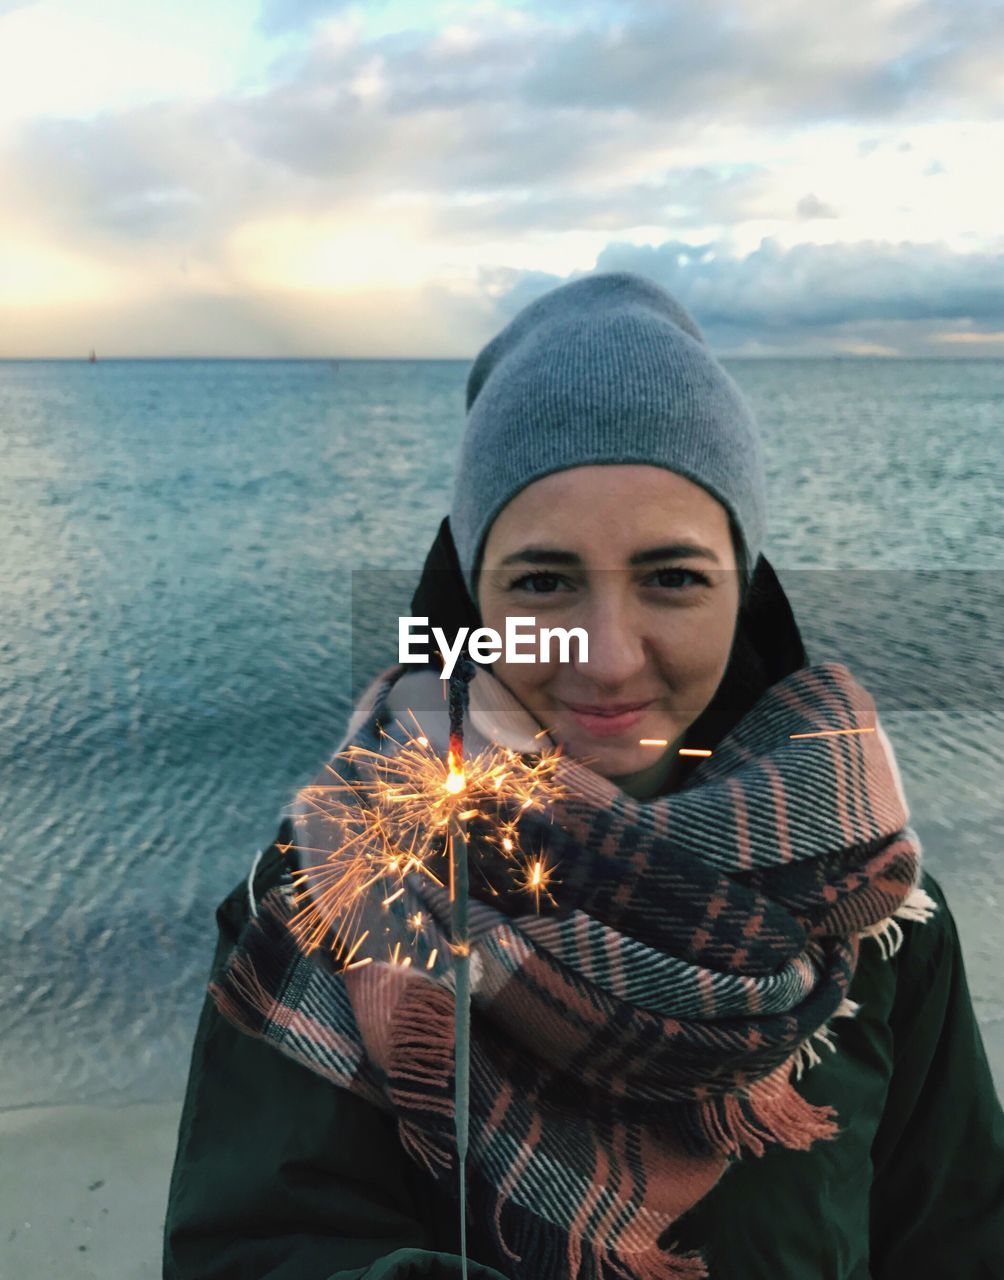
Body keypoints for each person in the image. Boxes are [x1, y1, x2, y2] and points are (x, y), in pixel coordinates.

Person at [163, 272, 1004, 1279]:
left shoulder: (871, 910)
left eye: (673, 578)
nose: (606, 656)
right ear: (471, 596)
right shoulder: (322, 897)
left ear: (744, 591)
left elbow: (956, 1237)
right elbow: (245, 1248)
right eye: (543, 580)